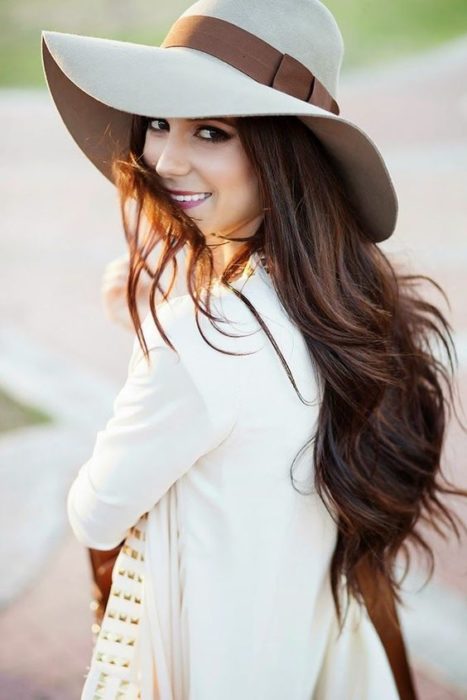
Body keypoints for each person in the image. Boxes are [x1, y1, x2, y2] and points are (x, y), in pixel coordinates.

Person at [40, 1, 466, 698]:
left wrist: (158, 346)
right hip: (300, 649)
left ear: (284, 150)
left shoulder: (198, 339)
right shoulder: (347, 304)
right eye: (157, 123)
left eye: (211, 131)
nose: (166, 159)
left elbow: (96, 509)